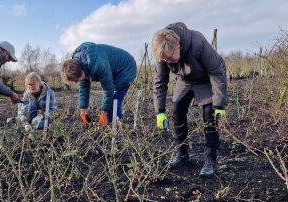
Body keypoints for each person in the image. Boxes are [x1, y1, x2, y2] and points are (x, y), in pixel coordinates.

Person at [151, 22, 227, 177]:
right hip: (185, 79)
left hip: (207, 78)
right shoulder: (163, 54)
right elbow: (160, 82)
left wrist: (219, 104)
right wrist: (159, 112)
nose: (169, 62)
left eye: (171, 58)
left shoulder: (198, 42)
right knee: (177, 109)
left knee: (209, 115)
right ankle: (183, 153)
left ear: (178, 45)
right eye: (165, 61)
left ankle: (211, 159)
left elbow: (217, 73)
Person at [60, 42, 137, 126]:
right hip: (115, 69)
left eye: (76, 79)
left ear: (81, 71)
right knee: (110, 103)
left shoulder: (99, 64)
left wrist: (104, 112)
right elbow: (83, 88)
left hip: (126, 68)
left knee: (114, 101)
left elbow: (108, 89)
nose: (76, 82)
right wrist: (83, 109)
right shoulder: (79, 64)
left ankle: (116, 126)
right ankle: (112, 123)